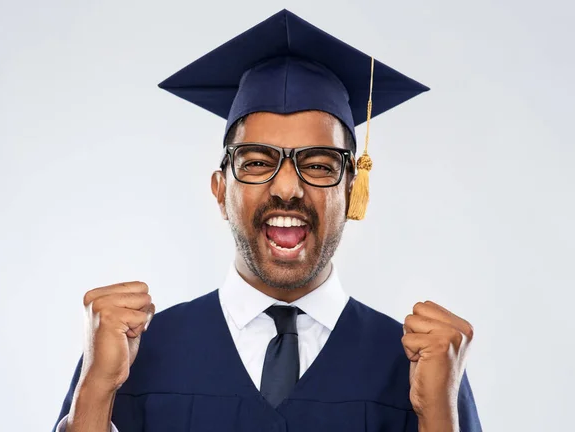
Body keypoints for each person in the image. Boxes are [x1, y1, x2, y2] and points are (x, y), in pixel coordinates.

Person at [53, 9, 481, 432]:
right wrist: (95, 391)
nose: (287, 189)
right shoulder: (133, 356)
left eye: (318, 164)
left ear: (352, 191)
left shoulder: (425, 368)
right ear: (221, 191)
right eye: (257, 162)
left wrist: (438, 416)